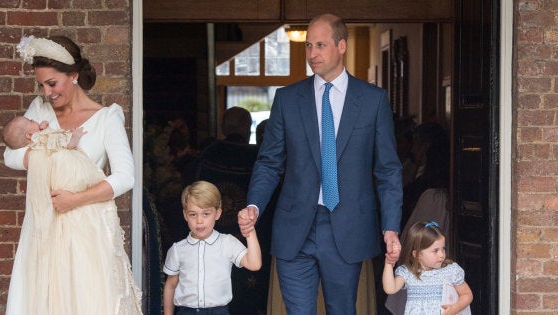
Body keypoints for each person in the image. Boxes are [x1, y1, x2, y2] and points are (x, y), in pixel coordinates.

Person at [239, 13, 403, 314]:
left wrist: (391, 226)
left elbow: (388, 169)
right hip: (295, 227)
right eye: (309, 46)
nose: (312, 53)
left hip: (347, 226)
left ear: (342, 46)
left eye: (321, 45)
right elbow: (269, 162)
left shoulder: (372, 100)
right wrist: (255, 205)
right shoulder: (288, 99)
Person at [4, 35, 141, 314]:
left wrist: (75, 199)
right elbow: (11, 155)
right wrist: (48, 156)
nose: (47, 93)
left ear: (74, 75)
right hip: (43, 225)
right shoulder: (39, 110)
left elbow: (126, 177)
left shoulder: (106, 118)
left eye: (52, 84)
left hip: (84, 226)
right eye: (41, 85)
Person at [187, 107, 271, 314]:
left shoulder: (206, 156)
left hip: (210, 239)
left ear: (223, 126)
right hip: (249, 239)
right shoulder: (257, 159)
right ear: (247, 127)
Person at [162, 181, 262, 315]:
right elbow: (171, 285)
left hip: (218, 311)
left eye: (206, 214)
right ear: (185, 215)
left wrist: (249, 230)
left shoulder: (227, 242)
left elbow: (254, 264)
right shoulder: (177, 249)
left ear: (218, 213)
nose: (199, 221)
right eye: (193, 214)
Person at [382, 221, 472, 315]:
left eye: (443, 249)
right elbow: (390, 288)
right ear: (417, 254)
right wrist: (389, 262)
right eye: (435, 251)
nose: (441, 255)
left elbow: (467, 294)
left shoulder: (450, 271)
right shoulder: (409, 272)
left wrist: (455, 308)